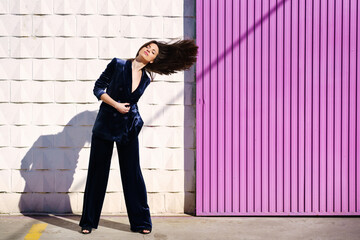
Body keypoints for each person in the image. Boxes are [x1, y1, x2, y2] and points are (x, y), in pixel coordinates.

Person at [79, 39, 198, 234]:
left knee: (132, 174)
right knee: (97, 174)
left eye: (152, 51)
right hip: (105, 126)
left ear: (152, 60)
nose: (148, 50)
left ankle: (141, 222)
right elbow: (98, 88)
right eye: (148, 47)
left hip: (128, 128)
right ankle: (88, 222)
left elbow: (132, 103)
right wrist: (116, 105)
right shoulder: (117, 64)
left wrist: (136, 120)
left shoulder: (145, 79)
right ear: (141, 48)